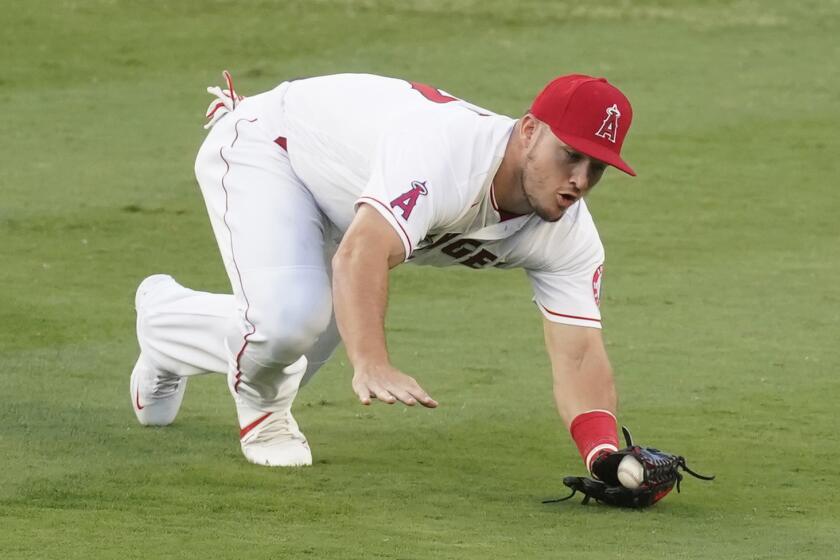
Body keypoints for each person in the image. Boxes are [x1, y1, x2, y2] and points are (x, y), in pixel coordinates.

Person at [130, 71, 635, 471]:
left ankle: (165, 327)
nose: (580, 180)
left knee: (291, 350)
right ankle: (265, 417)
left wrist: (605, 456)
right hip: (272, 150)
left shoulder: (568, 233)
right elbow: (362, 255)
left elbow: (579, 355)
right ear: (528, 131)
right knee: (289, 324)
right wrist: (371, 361)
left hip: (348, 201)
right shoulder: (447, 154)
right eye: (570, 154)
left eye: (597, 167)